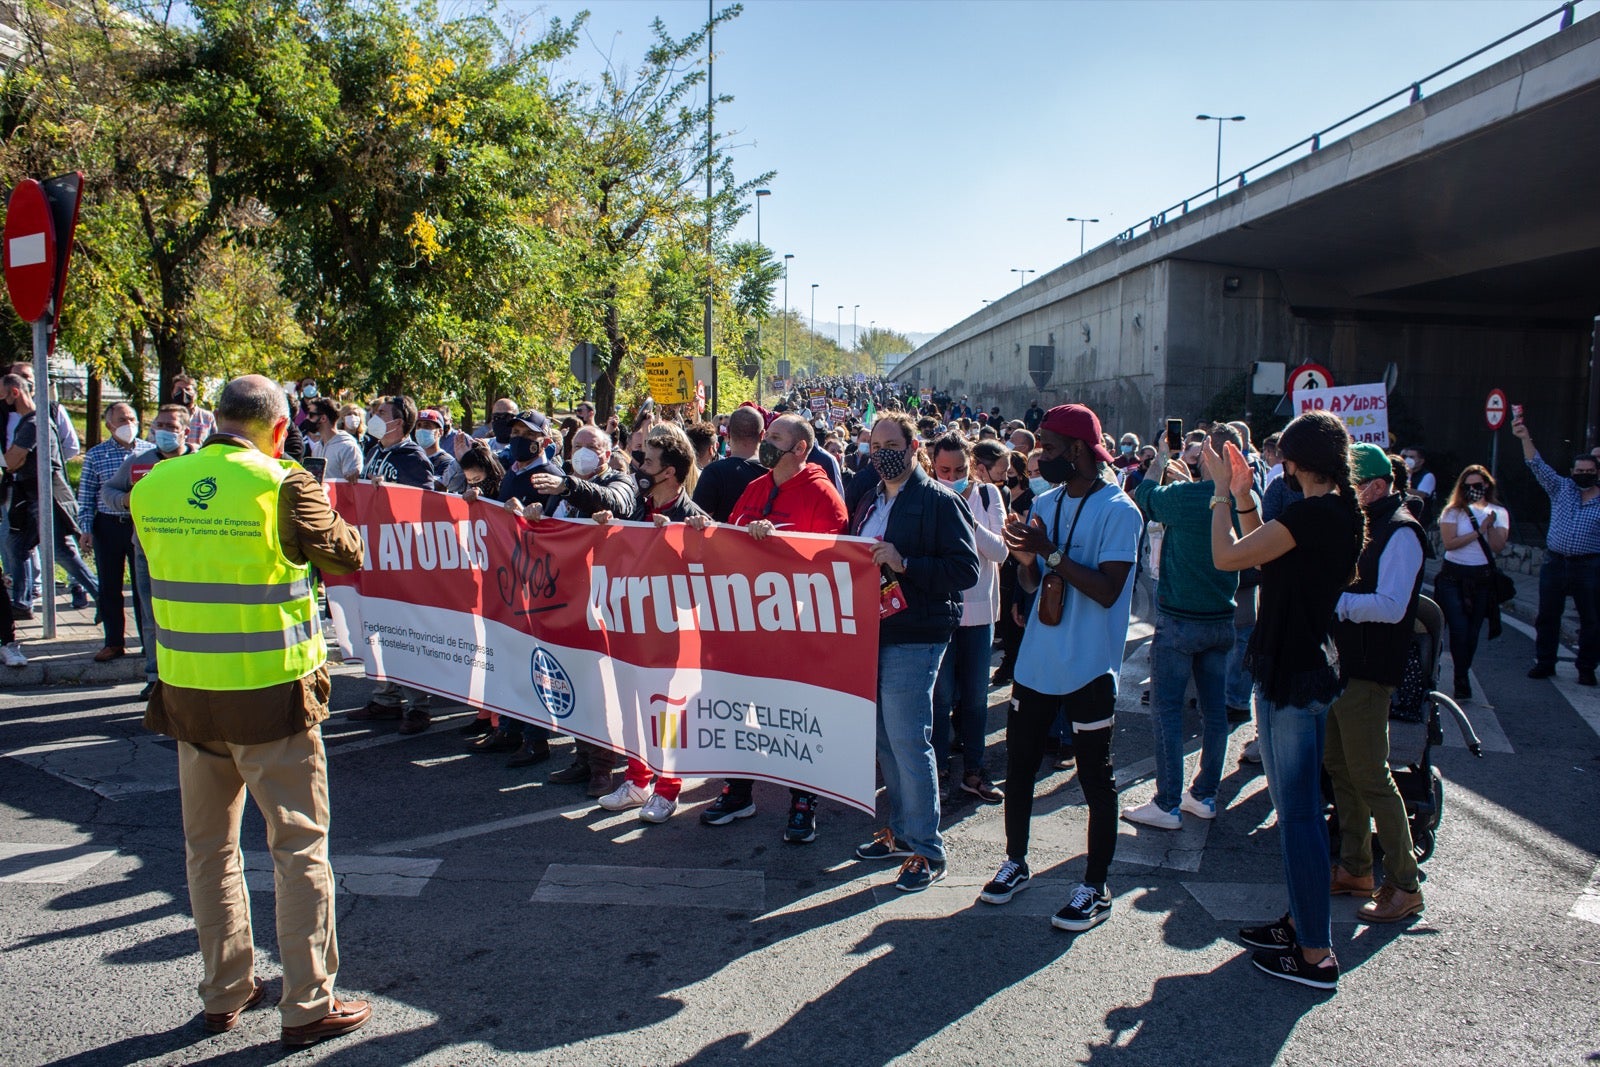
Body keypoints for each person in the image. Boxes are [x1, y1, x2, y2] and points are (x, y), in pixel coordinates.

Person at [131, 374, 371, 1048]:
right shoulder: (284, 482)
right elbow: (347, 557)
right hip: (271, 696)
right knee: (298, 848)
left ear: (214, 420)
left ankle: (225, 988)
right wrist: (304, 485)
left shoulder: (155, 483)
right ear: (279, 427)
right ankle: (308, 1002)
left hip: (188, 698)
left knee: (208, 850)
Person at [1205, 409, 1364, 990]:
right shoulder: (1335, 511)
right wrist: (1246, 496)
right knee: (1298, 810)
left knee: (1298, 815)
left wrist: (1221, 494)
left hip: (1292, 673)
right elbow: (1265, 551)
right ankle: (1302, 924)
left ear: (1296, 463)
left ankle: (1316, 953)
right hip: (1301, 667)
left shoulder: (1313, 515)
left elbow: (1230, 558)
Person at [981, 404, 1140, 931]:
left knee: (1096, 778)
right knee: (1021, 767)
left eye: (1048, 448)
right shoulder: (1045, 503)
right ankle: (1015, 861)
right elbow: (1029, 587)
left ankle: (1094, 886)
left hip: (1091, 666)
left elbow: (1108, 588)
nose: (1037, 457)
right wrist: (1026, 563)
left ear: (1077, 451)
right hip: (1038, 662)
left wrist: (1047, 554)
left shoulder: (1121, 511)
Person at [702, 414, 849, 841]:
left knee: (796, 715)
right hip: (747, 626)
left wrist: (781, 545)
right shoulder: (754, 488)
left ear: (800, 448)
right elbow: (726, 542)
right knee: (740, 711)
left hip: (797, 631)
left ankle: (804, 800)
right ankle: (738, 791)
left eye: (777, 438)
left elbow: (834, 567)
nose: (767, 443)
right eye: (767, 436)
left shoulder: (824, 496)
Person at [848, 411, 979, 891]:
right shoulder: (868, 500)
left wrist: (907, 564)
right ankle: (901, 832)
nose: (881, 452)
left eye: (891, 444)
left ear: (912, 446)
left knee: (908, 740)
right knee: (885, 741)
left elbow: (966, 569)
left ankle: (927, 848)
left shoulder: (939, 501)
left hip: (916, 634)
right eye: (874, 444)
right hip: (873, 632)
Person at [1123, 423, 1249, 830]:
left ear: (1205, 457)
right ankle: (1204, 795)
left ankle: (1167, 801)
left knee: (1167, 711)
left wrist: (1161, 456)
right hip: (1222, 616)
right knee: (1215, 713)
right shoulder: (1244, 497)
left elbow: (1142, 494)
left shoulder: (1188, 495)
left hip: (1180, 619)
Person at [1325, 443, 1429, 924]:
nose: (1348, 493)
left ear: (1378, 485)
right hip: (1347, 666)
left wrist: (1337, 603)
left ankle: (1405, 884)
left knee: (1372, 776)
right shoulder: (1370, 523)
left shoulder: (1402, 531)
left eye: (1353, 485)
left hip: (1370, 670)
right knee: (1340, 767)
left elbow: (1391, 605)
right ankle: (1356, 867)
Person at [593, 424, 710, 823]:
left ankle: (667, 788)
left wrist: (691, 541)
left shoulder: (691, 517)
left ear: (670, 473)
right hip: (626, 625)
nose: (639, 465)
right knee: (629, 706)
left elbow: (707, 579)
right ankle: (637, 780)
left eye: (647, 460)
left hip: (667, 632)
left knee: (663, 711)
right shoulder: (636, 507)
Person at [524, 425, 639, 795]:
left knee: (599, 684)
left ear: (607, 453)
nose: (583, 452)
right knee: (572, 677)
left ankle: (603, 766)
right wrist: (533, 516)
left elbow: (617, 502)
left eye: (592, 446)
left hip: (602, 602)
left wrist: (568, 488)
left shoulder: (619, 480)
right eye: (577, 446)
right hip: (564, 598)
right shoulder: (562, 487)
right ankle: (582, 756)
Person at [928, 433, 1008, 803]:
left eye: (959, 470)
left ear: (972, 466)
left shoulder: (989, 496)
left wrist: (966, 519)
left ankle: (974, 770)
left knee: (976, 698)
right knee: (940, 697)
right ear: (933, 467)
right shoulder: (927, 495)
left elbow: (1000, 551)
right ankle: (940, 769)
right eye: (944, 470)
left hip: (979, 615)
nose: (952, 476)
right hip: (941, 613)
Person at [350, 396, 436, 733]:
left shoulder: (412, 457)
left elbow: (426, 503)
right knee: (379, 628)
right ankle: (385, 697)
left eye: (381, 413)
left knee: (408, 632)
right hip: (376, 557)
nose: (374, 417)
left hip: (403, 556)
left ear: (399, 422)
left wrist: (391, 491)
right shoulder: (375, 453)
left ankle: (418, 706)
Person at [102, 404, 193, 698]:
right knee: (152, 614)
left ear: (186, 432)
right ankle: (156, 676)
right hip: (147, 551)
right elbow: (109, 493)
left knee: (191, 614)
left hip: (192, 551)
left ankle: (191, 673)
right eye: (159, 426)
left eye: (171, 426)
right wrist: (128, 499)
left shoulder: (202, 462)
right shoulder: (138, 462)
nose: (164, 432)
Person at [1, 373, 99, 616]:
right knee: (18, 546)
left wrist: (14, 458)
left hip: (44, 497)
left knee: (60, 551)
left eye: (2, 394)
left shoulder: (35, 423)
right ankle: (22, 604)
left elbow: (12, 461)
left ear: (15, 392)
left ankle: (104, 597)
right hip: (31, 497)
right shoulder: (30, 421)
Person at [1512, 412, 1600, 683]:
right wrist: (1525, 437)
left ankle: (1586, 669)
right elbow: (1536, 464)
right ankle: (1545, 662)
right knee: (1548, 616)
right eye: (1579, 471)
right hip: (1555, 561)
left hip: (1589, 564)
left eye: (1589, 472)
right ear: (1572, 472)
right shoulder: (1561, 488)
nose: (1583, 475)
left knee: (1591, 620)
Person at [78, 401, 153, 662]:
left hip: (140, 526)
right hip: (108, 525)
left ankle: (148, 643)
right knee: (109, 587)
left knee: (144, 587)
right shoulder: (96, 455)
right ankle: (113, 642)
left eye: (132, 418)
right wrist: (85, 529)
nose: (128, 425)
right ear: (109, 425)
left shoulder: (149, 452)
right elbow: (86, 494)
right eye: (121, 420)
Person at [1433, 465, 1510, 698]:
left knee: (1473, 630)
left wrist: (1491, 526)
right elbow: (1450, 543)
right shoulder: (1453, 512)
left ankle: (1462, 672)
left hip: (1481, 577)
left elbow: (1498, 546)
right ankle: (1459, 677)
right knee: (1458, 627)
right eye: (1468, 486)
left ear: (1486, 485)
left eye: (1478, 485)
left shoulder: (1498, 512)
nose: (1473, 490)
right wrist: (1479, 530)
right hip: (1453, 576)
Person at [692, 405, 766, 523]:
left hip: (718, 541)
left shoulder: (714, 473)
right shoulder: (775, 474)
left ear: (728, 433)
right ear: (762, 435)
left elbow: (697, 523)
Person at [301, 398, 363, 482]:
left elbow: (352, 486)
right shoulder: (317, 447)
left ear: (323, 418)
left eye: (311, 415)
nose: (307, 418)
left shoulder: (348, 447)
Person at [415, 408, 464, 492]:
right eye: (419, 425)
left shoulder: (447, 462)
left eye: (427, 426)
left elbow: (438, 487)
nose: (421, 429)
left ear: (440, 432)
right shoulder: (413, 457)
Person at [171, 373, 217, 446]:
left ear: (195, 394)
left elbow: (215, 443)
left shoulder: (207, 417)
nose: (183, 393)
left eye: (187, 389)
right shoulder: (164, 417)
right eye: (179, 389)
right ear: (172, 393)